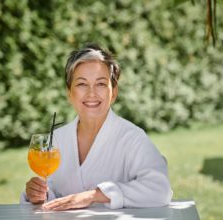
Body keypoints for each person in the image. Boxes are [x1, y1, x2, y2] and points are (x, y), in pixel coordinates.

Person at [20, 43, 173, 210]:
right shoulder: (57, 139)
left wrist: (94, 196)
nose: (91, 93)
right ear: (69, 93)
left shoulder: (132, 138)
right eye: (81, 84)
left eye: (100, 84)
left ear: (113, 92)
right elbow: (52, 195)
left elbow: (160, 190)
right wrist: (37, 194)